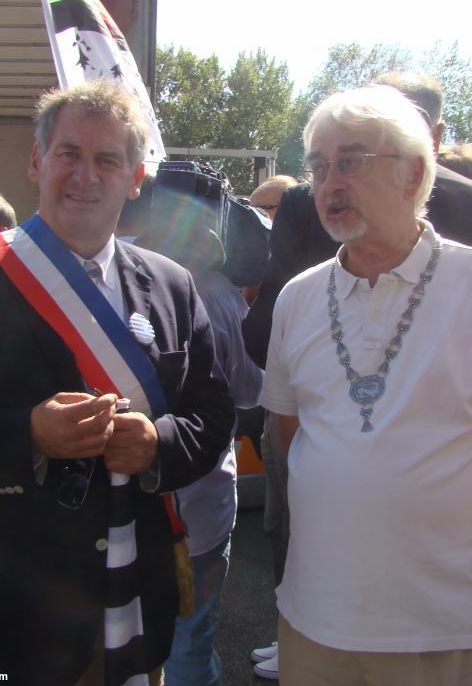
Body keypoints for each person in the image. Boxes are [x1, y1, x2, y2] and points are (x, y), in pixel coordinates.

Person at [0, 80, 235, 685]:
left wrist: (157, 445)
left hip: (136, 609)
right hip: (5, 623)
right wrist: (28, 436)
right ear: (38, 161)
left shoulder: (173, 285)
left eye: (107, 159)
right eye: (69, 153)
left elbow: (213, 413)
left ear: (135, 177)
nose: (85, 175)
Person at [261, 85, 472, 686]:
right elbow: (292, 434)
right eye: (319, 166)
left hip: (448, 636)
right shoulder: (297, 299)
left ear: (412, 174)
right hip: (314, 628)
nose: (329, 184)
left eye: (351, 162)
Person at [141, 206, 263, 686]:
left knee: (129, 634)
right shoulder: (220, 293)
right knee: (190, 634)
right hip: (203, 501)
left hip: (128, 502)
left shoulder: (117, 277)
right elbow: (250, 390)